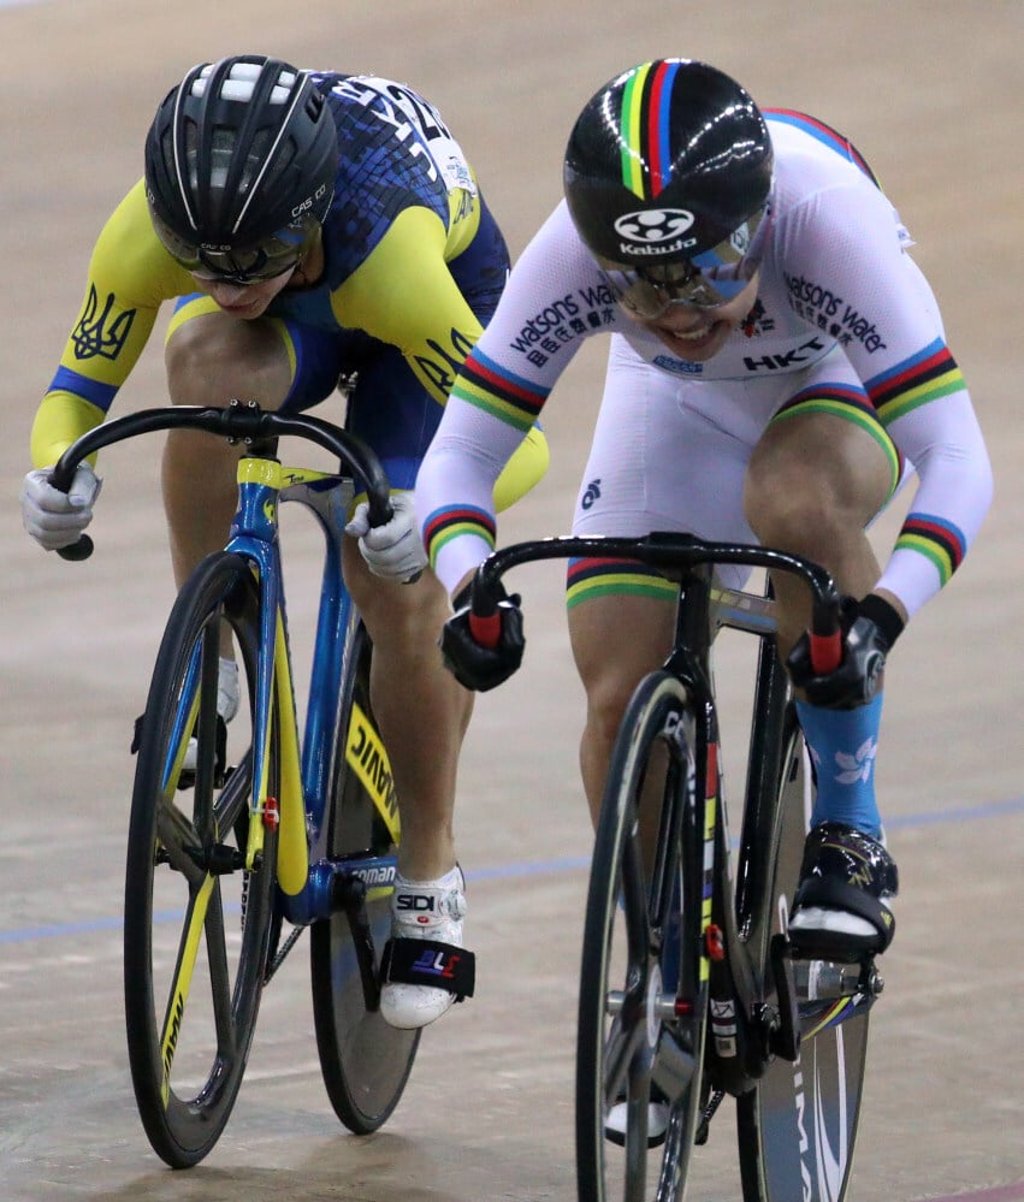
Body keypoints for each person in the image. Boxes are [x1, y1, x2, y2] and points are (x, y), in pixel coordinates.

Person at [416, 59, 994, 961]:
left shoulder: (824, 223)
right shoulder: (571, 253)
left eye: (708, 273)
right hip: (674, 404)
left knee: (793, 502)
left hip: (829, 377)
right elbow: (460, 453)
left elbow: (956, 461)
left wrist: (881, 616)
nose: (678, 312)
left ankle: (849, 829)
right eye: (641, 286)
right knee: (616, 691)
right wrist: (467, 589)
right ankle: (666, 959)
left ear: (758, 228)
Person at [20, 54, 548, 1031]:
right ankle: (213, 646)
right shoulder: (157, 230)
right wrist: (56, 470)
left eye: (249, 262)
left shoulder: (391, 256)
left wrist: (423, 509)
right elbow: (74, 393)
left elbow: (520, 450)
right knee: (201, 361)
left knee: (392, 571)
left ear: (303, 219)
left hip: (409, 311)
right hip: (304, 307)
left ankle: (429, 865)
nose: (222, 283)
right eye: (202, 264)